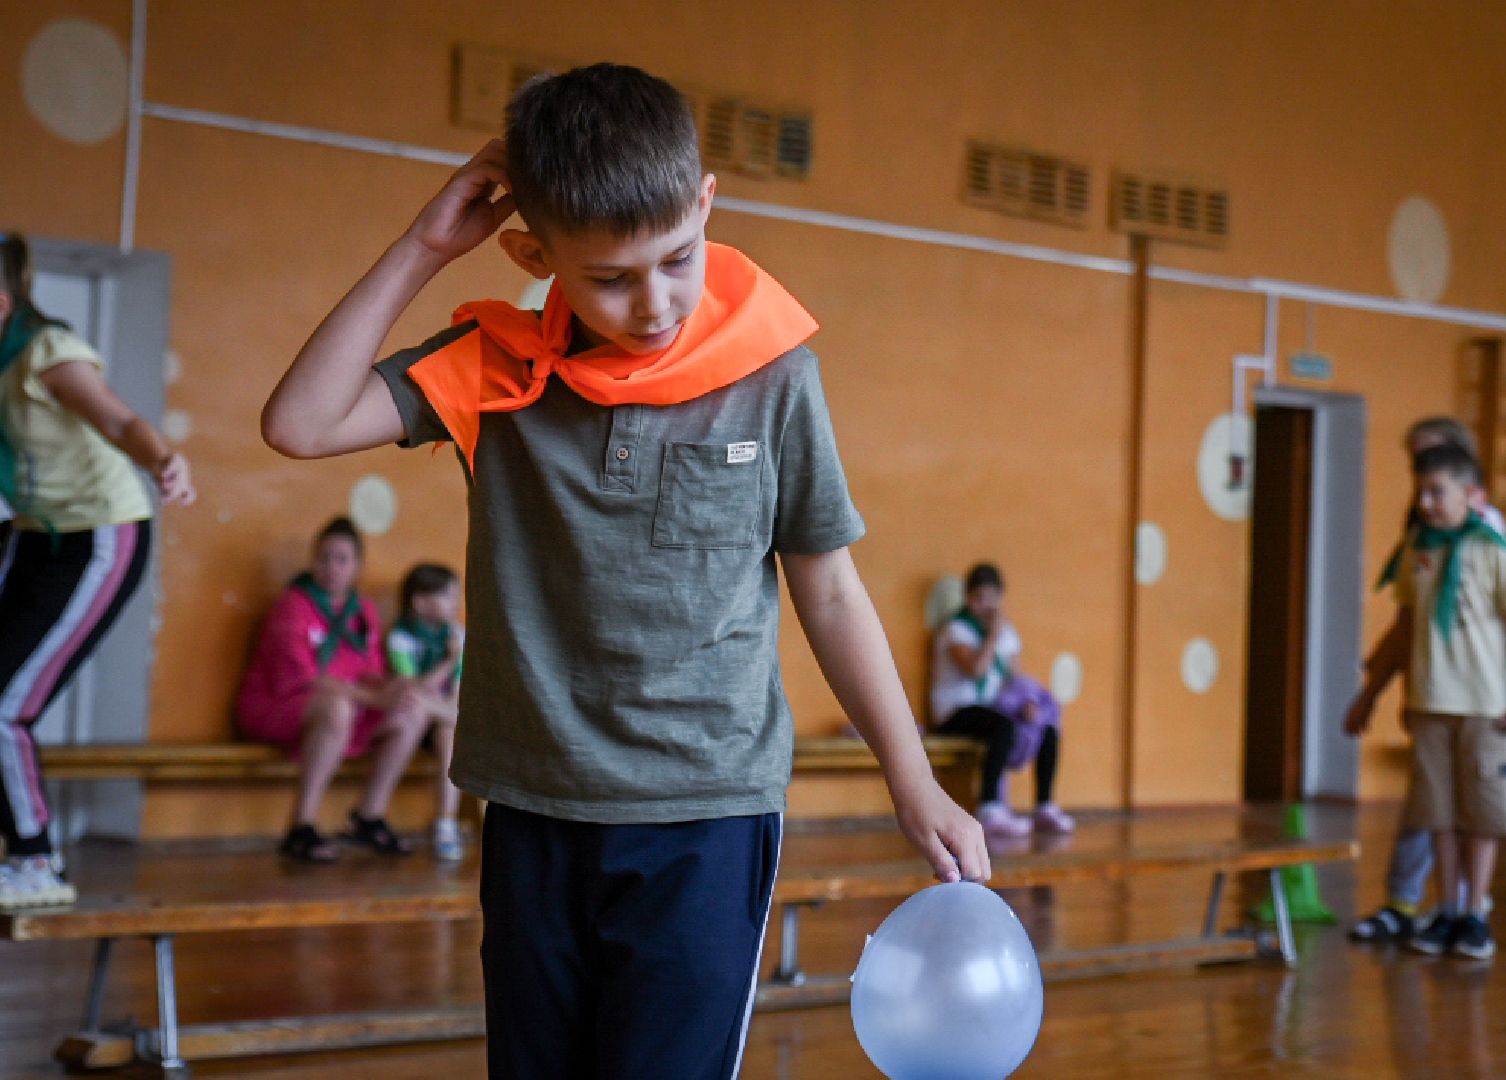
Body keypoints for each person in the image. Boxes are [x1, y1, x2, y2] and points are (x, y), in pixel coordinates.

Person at [259, 63, 987, 1077]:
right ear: (533, 252)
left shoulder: (773, 374)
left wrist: (914, 782)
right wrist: (425, 246)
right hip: (533, 804)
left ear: (705, 206)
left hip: (707, 811)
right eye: (608, 277)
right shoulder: (490, 365)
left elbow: (827, 585)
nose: (654, 303)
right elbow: (299, 424)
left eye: (677, 260)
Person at [0, 232, 196, 911]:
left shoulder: (44, 352)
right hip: (30, 534)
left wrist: (164, 460)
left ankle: (34, 863)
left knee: (4, 707)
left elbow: (118, 421)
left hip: (98, 536)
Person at [1344, 418, 1506, 954]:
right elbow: (1407, 626)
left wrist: (1486, 648)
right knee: (1430, 809)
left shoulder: (1496, 542)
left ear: (1466, 479)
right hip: (1442, 697)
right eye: (1415, 472)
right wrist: (1374, 686)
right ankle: (1417, 906)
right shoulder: (1423, 544)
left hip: (1500, 696)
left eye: (1433, 469)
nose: (1421, 487)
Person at [237, 517, 435, 862]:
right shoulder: (293, 605)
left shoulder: (363, 610)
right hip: (277, 706)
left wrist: (394, 687)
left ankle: (369, 817)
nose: (331, 566)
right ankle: (302, 826)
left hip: (343, 707)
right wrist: (373, 698)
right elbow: (306, 678)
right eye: (324, 557)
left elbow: (369, 672)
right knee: (336, 707)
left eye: (341, 559)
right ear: (314, 561)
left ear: (357, 566)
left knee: (410, 708)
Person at [930, 562, 1073, 837]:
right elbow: (976, 669)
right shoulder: (955, 629)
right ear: (968, 598)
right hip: (955, 713)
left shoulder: (1006, 634)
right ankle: (990, 806)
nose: (985, 605)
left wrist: (1028, 703)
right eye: (978, 598)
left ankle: (1045, 805)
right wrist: (993, 634)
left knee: (1047, 727)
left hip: (993, 710)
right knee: (1002, 727)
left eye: (991, 598)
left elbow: (1014, 678)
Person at [386, 562, 465, 862]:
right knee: (416, 705)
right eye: (448, 596)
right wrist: (447, 661)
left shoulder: (458, 635)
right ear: (420, 602)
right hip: (413, 720)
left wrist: (445, 704)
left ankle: (446, 823)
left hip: (445, 716)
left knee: (449, 737)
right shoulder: (400, 638)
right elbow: (411, 688)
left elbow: (458, 692)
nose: (456, 604)